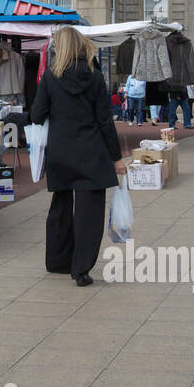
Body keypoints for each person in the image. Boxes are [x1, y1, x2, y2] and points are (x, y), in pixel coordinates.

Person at [30, 27, 125, 287]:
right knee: (89, 214)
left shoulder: (50, 77)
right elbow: (105, 121)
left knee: (60, 207)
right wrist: (116, 157)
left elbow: (37, 115)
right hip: (91, 151)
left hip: (61, 151)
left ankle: (59, 260)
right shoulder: (95, 77)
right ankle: (81, 269)